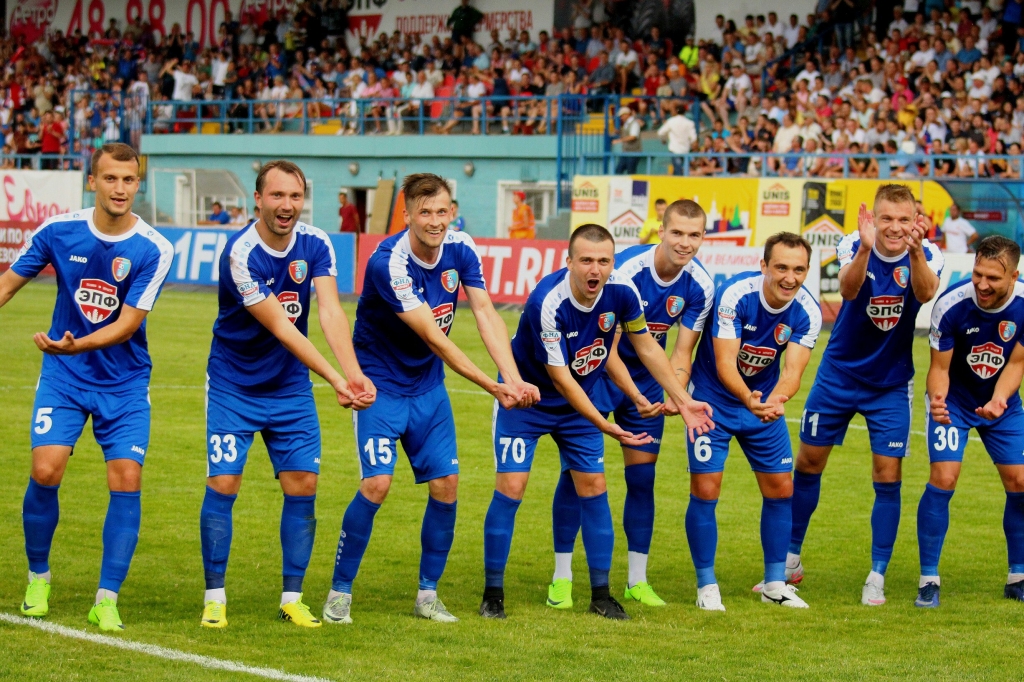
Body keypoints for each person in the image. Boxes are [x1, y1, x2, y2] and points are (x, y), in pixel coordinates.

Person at [325, 173, 538, 624]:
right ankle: (339, 592)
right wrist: (494, 386)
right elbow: (435, 339)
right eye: (425, 212)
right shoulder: (389, 264)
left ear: (452, 211)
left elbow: (484, 311)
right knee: (377, 484)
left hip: (428, 390)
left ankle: (427, 594)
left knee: (447, 486)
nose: (435, 221)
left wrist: (513, 376)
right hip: (380, 388)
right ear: (406, 216)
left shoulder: (462, 248)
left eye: (442, 211)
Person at [480, 223, 715, 620]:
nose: (596, 269)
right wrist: (602, 424)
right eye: (586, 260)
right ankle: (493, 593)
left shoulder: (623, 291)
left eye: (604, 260)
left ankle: (601, 595)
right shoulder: (547, 301)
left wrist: (683, 398)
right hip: (526, 400)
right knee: (513, 488)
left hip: (577, 404)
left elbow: (643, 347)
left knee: (594, 486)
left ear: (612, 262)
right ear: (568, 261)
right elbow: (561, 378)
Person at [2, 143, 173, 631]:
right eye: (111, 179)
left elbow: (127, 324)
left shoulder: (154, 248)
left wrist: (77, 345)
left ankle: (107, 597)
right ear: (92, 181)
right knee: (46, 470)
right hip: (65, 377)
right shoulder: (58, 231)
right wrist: (70, 353)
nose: (121, 189)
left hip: (123, 381)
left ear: (137, 183)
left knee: (126, 479)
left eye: (129, 180)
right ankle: (39, 577)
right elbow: (8, 284)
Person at [199, 160, 375, 629]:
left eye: (295, 197)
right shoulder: (240, 252)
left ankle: (291, 598)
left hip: (290, 388)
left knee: (304, 486)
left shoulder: (316, 243)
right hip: (234, 384)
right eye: (277, 196)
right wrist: (336, 381)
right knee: (224, 484)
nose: (286, 206)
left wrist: (353, 374)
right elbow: (281, 325)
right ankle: (214, 597)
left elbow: (332, 313)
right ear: (258, 199)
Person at [548, 201, 715, 608]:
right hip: (598, 376)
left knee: (642, 479)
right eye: (678, 233)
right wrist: (639, 396)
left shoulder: (701, 286)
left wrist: (677, 395)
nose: (685, 243)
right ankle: (562, 576)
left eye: (694, 235)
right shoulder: (626, 274)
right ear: (661, 229)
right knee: (578, 475)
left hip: (649, 384)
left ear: (703, 238)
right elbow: (609, 349)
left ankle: (637, 581)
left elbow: (682, 352)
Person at [786, 185, 943, 606]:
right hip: (838, 375)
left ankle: (877, 574)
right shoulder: (854, 243)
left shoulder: (928, 253)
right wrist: (864, 251)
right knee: (809, 462)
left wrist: (913, 254)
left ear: (916, 220)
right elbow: (850, 290)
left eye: (903, 219)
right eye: (886, 218)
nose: (895, 227)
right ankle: (789, 560)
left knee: (887, 475)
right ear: (873, 217)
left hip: (891, 383)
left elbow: (926, 294)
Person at [686, 231, 821, 611]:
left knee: (781, 488)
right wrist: (749, 399)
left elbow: (793, 370)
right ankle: (706, 585)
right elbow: (727, 363)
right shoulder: (736, 296)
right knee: (707, 488)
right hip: (712, 402)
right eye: (781, 267)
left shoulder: (807, 311)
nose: (789, 277)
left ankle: (775, 583)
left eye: (798, 269)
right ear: (764, 266)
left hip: (762, 405)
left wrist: (776, 400)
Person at [919, 236, 1024, 607]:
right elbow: (938, 368)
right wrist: (938, 400)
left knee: (1020, 481)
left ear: (1013, 275)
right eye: (978, 273)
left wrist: (1000, 399)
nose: (981, 284)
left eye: (993, 278)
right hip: (956, 403)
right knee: (944, 477)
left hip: (1003, 404)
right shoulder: (950, 306)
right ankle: (928, 579)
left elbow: (1015, 363)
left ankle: (1018, 576)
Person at [657, 102, 697, 176]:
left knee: (678, 171)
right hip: (685, 150)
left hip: (674, 150)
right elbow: (693, 139)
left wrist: (663, 140)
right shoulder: (690, 123)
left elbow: (660, 132)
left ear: (676, 111)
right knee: (683, 171)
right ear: (684, 112)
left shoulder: (671, 121)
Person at [615, 106, 642, 174]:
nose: (621, 118)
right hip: (626, 152)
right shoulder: (626, 124)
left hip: (634, 152)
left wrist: (620, 140)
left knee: (631, 172)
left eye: (622, 116)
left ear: (627, 114)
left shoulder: (634, 123)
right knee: (618, 171)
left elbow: (633, 136)